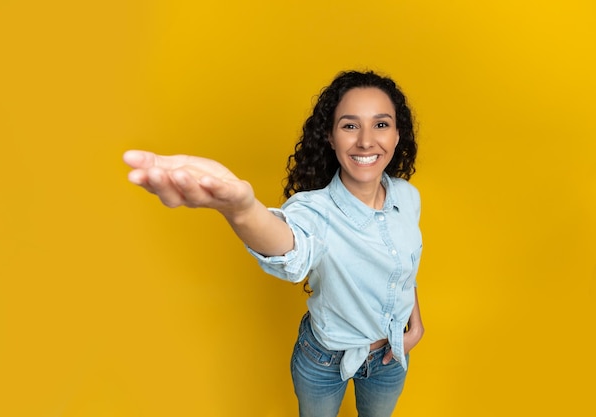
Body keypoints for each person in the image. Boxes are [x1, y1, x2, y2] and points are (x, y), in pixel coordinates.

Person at [123, 70, 425, 417]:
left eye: (381, 124)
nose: (366, 141)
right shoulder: (313, 210)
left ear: (398, 133)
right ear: (330, 136)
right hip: (324, 360)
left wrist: (415, 323)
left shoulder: (407, 196)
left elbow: (404, 266)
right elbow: (290, 247)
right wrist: (242, 210)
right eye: (350, 125)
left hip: (391, 358)